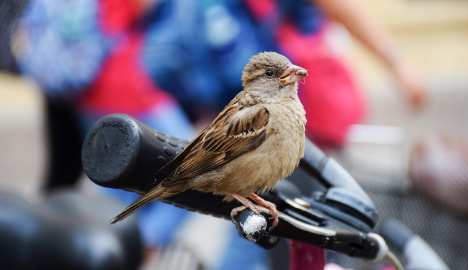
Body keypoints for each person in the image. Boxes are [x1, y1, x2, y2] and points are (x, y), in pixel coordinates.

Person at [14, 0, 427, 269]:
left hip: (306, 137)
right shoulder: (262, 112)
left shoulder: (273, 106)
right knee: (250, 249)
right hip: (172, 134)